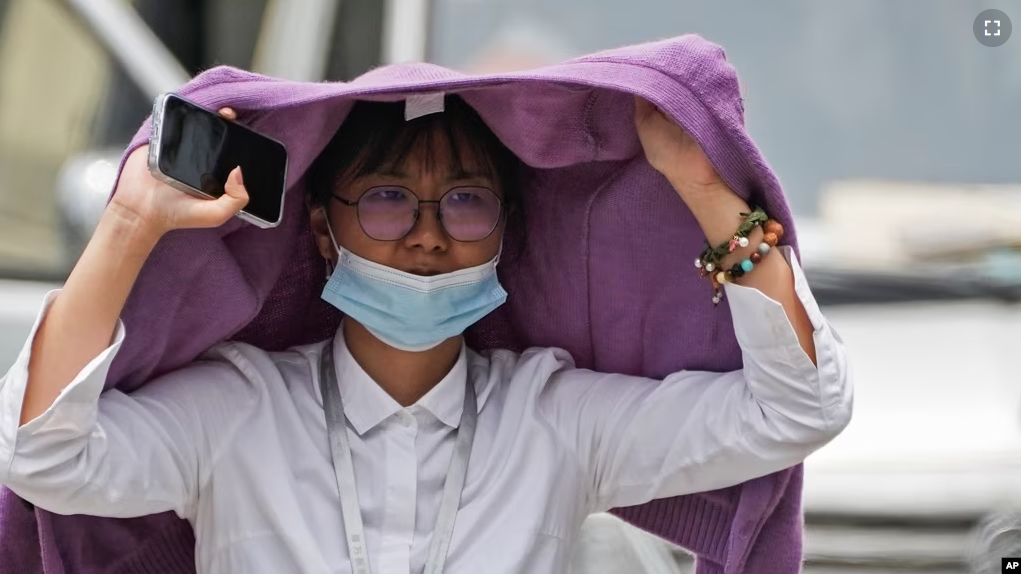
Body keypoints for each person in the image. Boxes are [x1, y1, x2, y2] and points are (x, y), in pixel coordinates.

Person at [0, 93, 851, 573]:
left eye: (466, 201)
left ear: (507, 232)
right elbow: (44, 457)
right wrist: (131, 223)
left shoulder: (553, 415)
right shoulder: (238, 407)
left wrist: (700, 185)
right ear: (324, 233)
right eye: (386, 197)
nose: (428, 232)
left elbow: (795, 412)